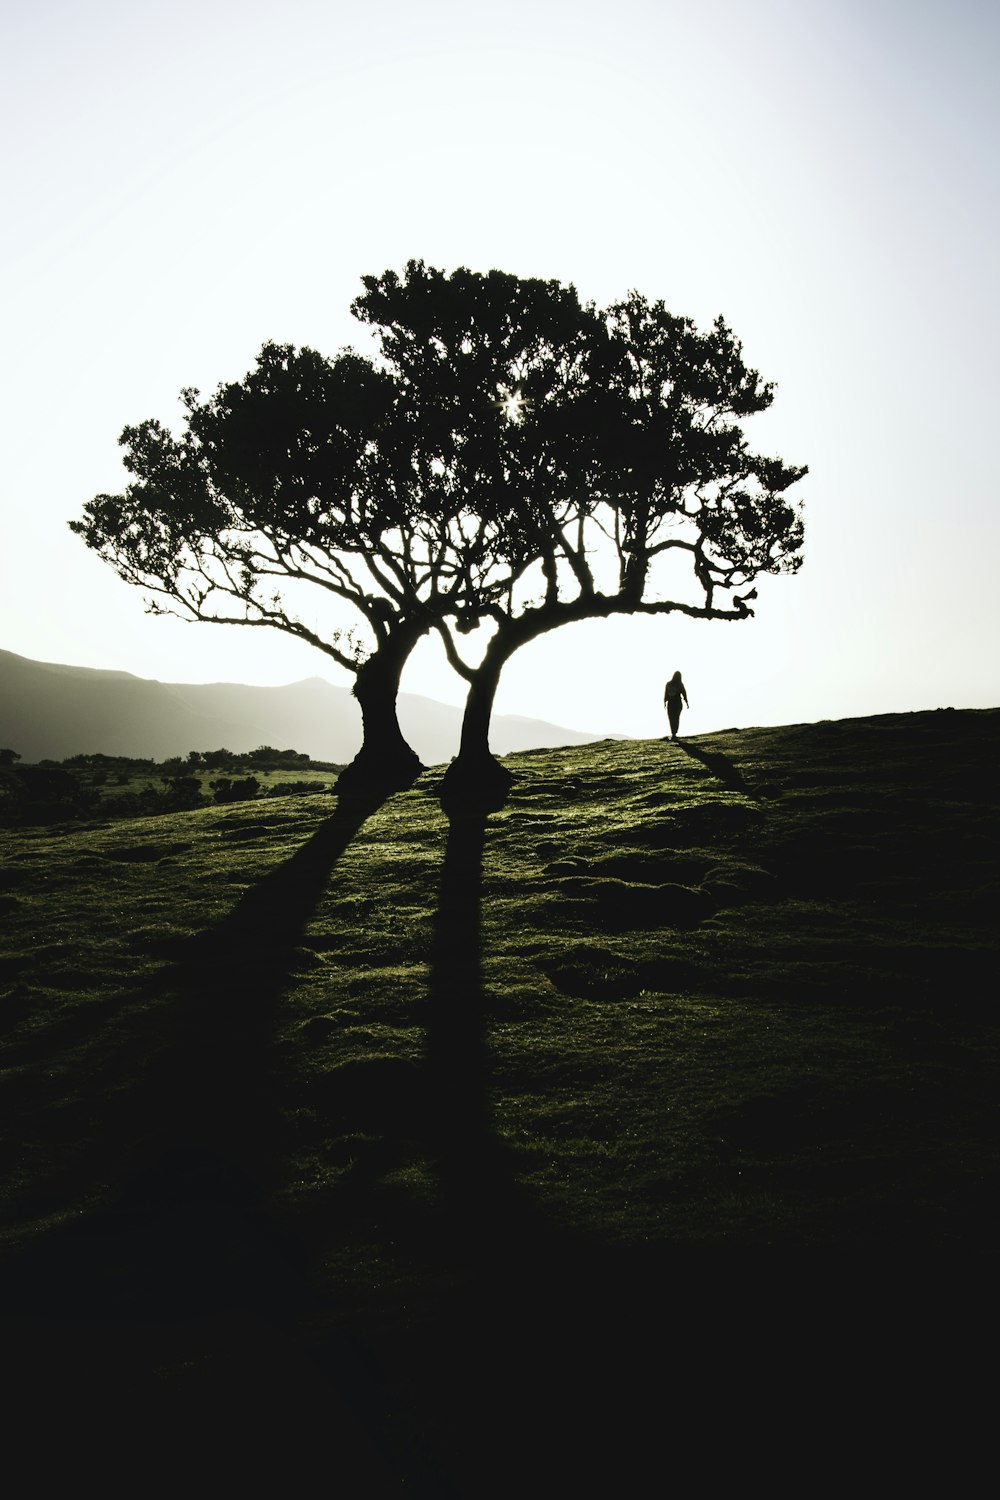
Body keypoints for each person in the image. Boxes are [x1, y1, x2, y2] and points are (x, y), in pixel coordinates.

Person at [663, 670, 689, 740]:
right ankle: (674, 733)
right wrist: (686, 702)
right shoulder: (680, 684)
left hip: (670, 704)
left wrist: (664, 702)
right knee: (676, 718)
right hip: (677, 703)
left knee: (671, 718)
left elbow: (666, 694)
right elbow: (684, 693)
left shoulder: (668, 684)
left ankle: (673, 733)